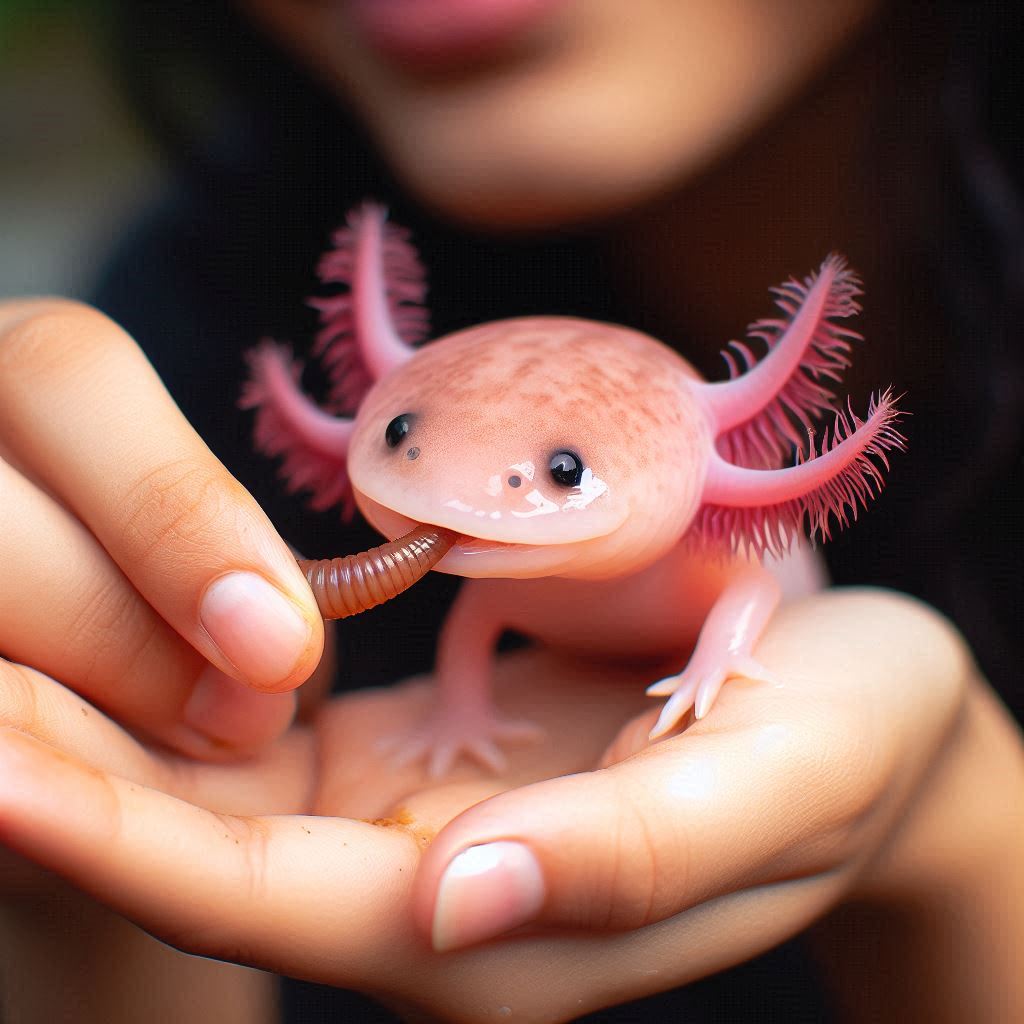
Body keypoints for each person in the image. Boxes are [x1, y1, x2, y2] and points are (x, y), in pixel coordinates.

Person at [1, 1, 1022, 1021]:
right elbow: (479, 611)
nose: (453, 496)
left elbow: (749, 581)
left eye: (563, 471)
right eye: (402, 440)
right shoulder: (191, 314)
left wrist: (959, 843)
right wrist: (81, 893)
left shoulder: (717, 515)